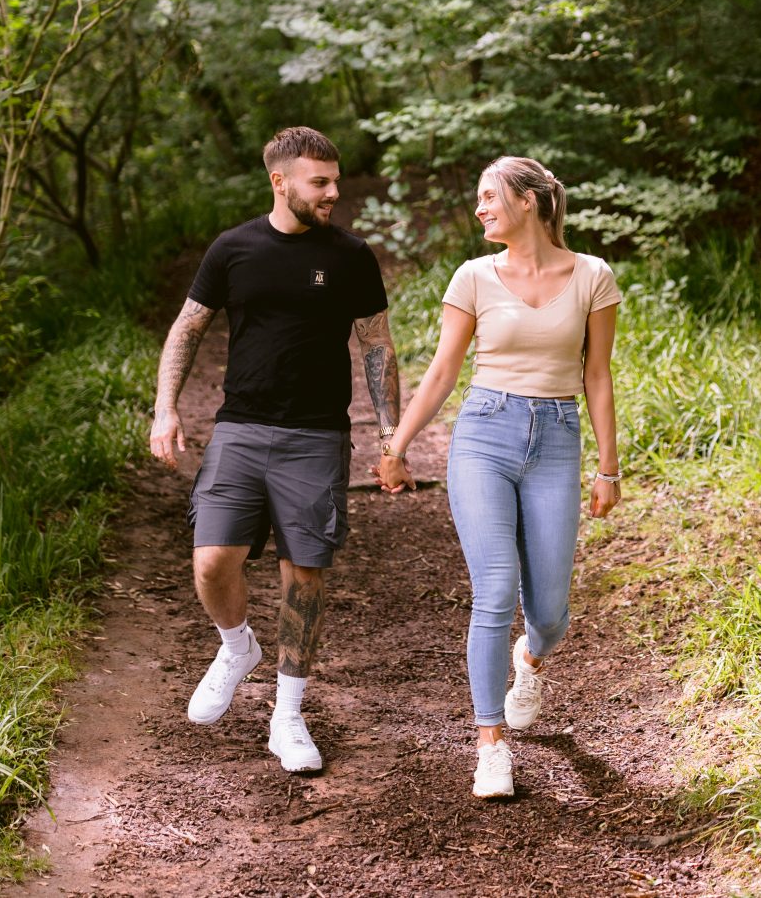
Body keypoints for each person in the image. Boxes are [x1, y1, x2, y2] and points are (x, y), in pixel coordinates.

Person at [149, 127, 400, 774]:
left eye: (335, 180)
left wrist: (389, 434)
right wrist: (165, 407)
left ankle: (287, 715)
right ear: (279, 181)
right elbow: (188, 326)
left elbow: (377, 345)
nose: (333, 192)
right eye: (320, 181)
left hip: (316, 436)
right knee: (211, 562)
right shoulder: (234, 249)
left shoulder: (349, 255)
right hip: (240, 428)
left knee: (304, 575)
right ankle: (237, 646)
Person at [376, 155, 622, 798]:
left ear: (531, 202)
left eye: (490, 197)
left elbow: (597, 375)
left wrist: (608, 467)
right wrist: (397, 444)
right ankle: (491, 747)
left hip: (557, 441)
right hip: (484, 435)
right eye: (479, 198)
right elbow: (441, 372)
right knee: (494, 589)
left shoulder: (593, 276)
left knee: (549, 609)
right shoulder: (474, 277)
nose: (480, 208)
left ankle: (530, 660)